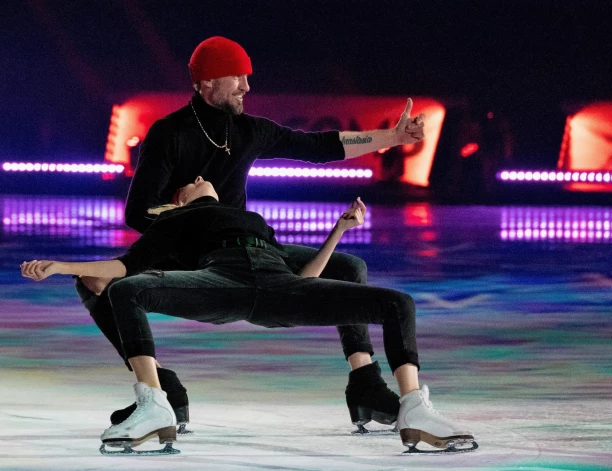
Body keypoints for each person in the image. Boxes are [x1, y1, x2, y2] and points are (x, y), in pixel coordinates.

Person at [75, 36, 427, 432]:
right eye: (237, 77)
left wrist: (394, 138)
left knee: (347, 266)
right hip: (184, 247)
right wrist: (190, 220)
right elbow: (138, 212)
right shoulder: (169, 134)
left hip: (245, 249)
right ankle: (160, 386)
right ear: (207, 83)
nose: (246, 87)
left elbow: (321, 145)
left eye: (247, 77)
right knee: (91, 281)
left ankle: (365, 383)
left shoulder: (248, 130)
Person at [22, 178, 476, 455]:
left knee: (399, 304)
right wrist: (66, 266)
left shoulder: (252, 218)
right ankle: (153, 402)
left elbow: (306, 274)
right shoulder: (175, 223)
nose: (202, 177)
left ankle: (414, 411)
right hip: (224, 283)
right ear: (180, 199)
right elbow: (121, 268)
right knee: (129, 290)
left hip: (283, 289)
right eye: (192, 181)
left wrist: (338, 230)